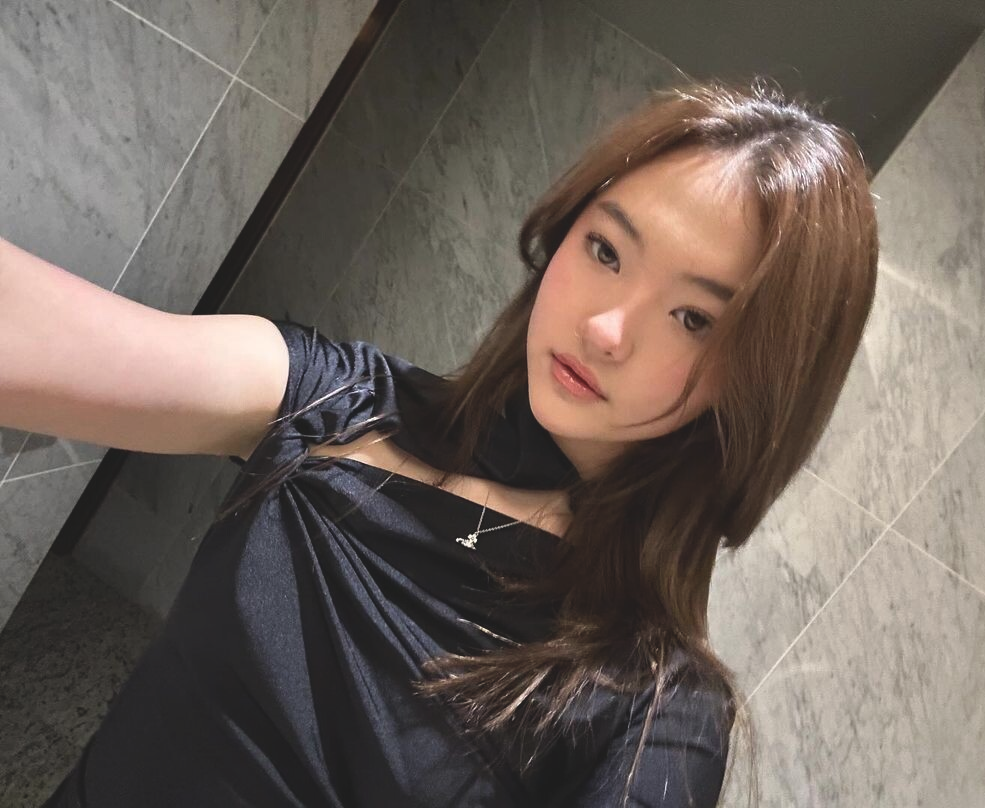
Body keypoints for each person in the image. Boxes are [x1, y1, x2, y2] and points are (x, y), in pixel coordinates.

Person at [0, 78, 878, 806]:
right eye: (607, 251)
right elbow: (62, 341)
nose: (607, 329)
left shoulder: (655, 710)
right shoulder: (343, 401)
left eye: (693, 319)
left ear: (754, 387)